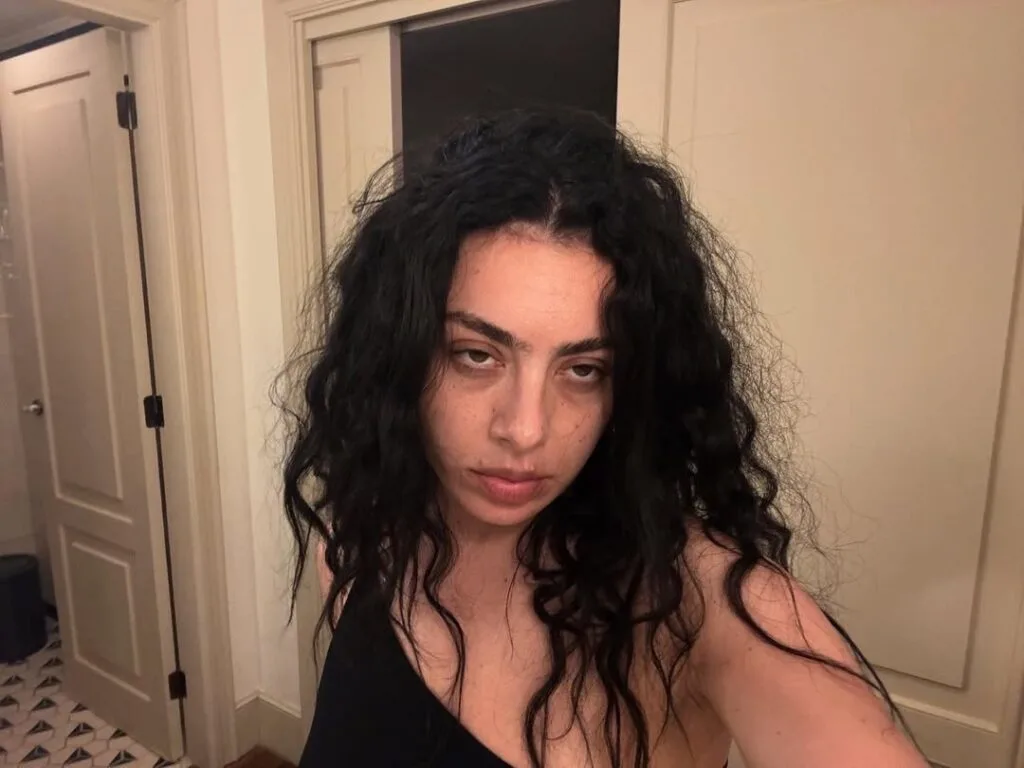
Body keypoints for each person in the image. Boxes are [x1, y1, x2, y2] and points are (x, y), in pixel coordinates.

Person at [281, 109, 928, 768]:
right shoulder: (360, 539)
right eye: (477, 354)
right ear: (401, 352)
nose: (525, 429)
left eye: (585, 369)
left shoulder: (695, 605)